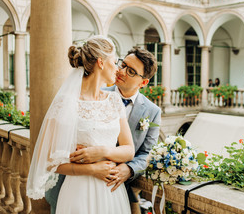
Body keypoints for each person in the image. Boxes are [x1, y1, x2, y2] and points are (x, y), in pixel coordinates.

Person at [27, 36, 135, 214]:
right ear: (101, 62)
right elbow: (47, 161)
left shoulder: (114, 101)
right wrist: (92, 169)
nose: (117, 69)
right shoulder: (66, 102)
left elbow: (129, 150)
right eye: (114, 62)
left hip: (111, 192)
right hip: (78, 192)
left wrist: (102, 151)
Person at [45, 47, 161, 214]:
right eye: (122, 64)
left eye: (131, 71)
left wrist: (128, 169)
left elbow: (146, 153)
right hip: (75, 184)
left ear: (143, 82)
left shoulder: (152, 111)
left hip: (114, 189)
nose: (121, 71)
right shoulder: (87, 96)